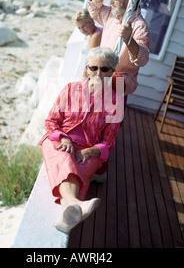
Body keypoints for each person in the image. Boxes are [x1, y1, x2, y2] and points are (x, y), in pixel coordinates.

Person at [38, 47, 124, 233]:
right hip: (60, 140)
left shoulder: (115, 102)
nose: (98, 73)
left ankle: (66, 215)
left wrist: (90, 151)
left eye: (105, 69)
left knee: (82, 167)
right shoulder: (70, 89)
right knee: (63, 157)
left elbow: (108, 142)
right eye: (93, 68)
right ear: (87, 68)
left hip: (89, 149)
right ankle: (77, 203)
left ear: (112, 72)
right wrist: (64, 138)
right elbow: (51, 121)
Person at [87, 0, 150, 96]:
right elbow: (94, 10)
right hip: (103, 73)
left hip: (122, 82)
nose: (111, 1)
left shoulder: (140, 25)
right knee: (92, 79)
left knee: (105, 83)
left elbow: (143, 60)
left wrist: (128, 39)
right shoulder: (111, 14)